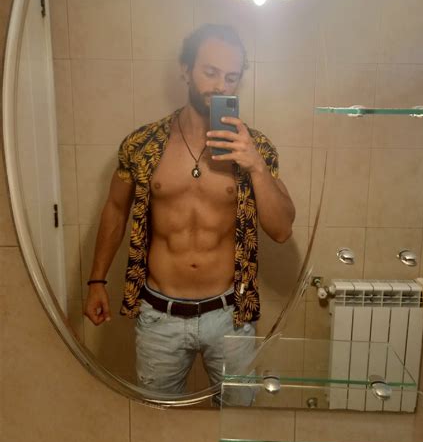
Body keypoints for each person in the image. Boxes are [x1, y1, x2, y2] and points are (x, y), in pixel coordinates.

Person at [84, 23, 295, 395]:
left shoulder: (255, 148)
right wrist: (97, 280)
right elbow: (115, 209)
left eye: (231, 77)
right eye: (210, 72)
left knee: (238, 419)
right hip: (160, 316)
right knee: (159, 420)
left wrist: (256, 167)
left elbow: (281, 230)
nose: (220, 85)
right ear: (186, 70)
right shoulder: (143, 144)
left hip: (230, 315)